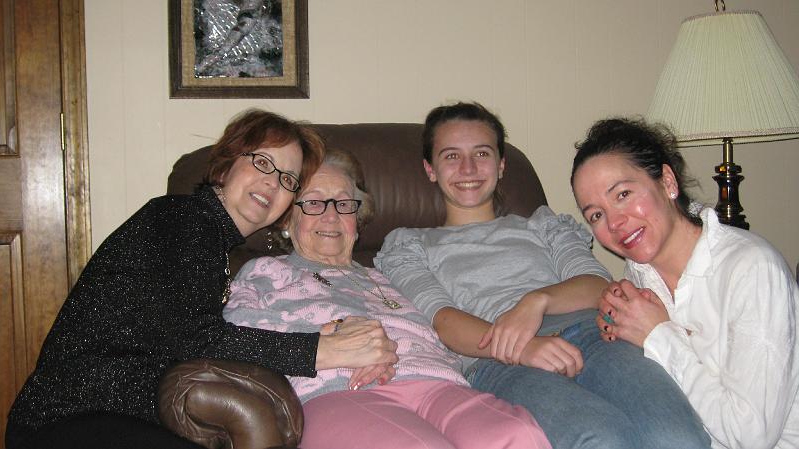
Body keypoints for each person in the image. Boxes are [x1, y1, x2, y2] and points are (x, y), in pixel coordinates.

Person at [5, 109, 398, 449]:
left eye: (287, 179)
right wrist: (323, 350)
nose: (272, 182)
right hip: (72, 418)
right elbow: (195, 340)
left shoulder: (210, 240)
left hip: (117, 417)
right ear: (226, 166)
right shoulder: (182, 219)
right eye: (262, 162)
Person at [375, 102, 710, 449]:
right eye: (451, 157)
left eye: (482, 153)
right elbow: (443, 321)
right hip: (502, 363)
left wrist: (536, 302)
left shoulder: (544, 224)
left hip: (596, 336)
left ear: (502, 164)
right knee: (602, 439)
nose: (469, 167)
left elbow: (597, 285)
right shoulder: (410, 245)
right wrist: (524, 347)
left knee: (679, 438)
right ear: (430, 169)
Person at [223, 148, 551, 449]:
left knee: (517, 436)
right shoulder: (266, 271)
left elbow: (444, 329)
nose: (330, 215)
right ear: (286, 219)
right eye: (312, 202)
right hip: (341, 391)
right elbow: (235, 335)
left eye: (343, 203)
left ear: (358, 217)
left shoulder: (389, 275)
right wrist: (336, 338)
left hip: (439, 385)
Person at [571, 117, 799, 449]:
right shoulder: (640, 274)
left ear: (667, 182)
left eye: (622, 193)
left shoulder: (751, 269)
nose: (615, 223)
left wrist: (657, 334)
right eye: (596, 215)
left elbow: (751, 435)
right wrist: (619, 327)